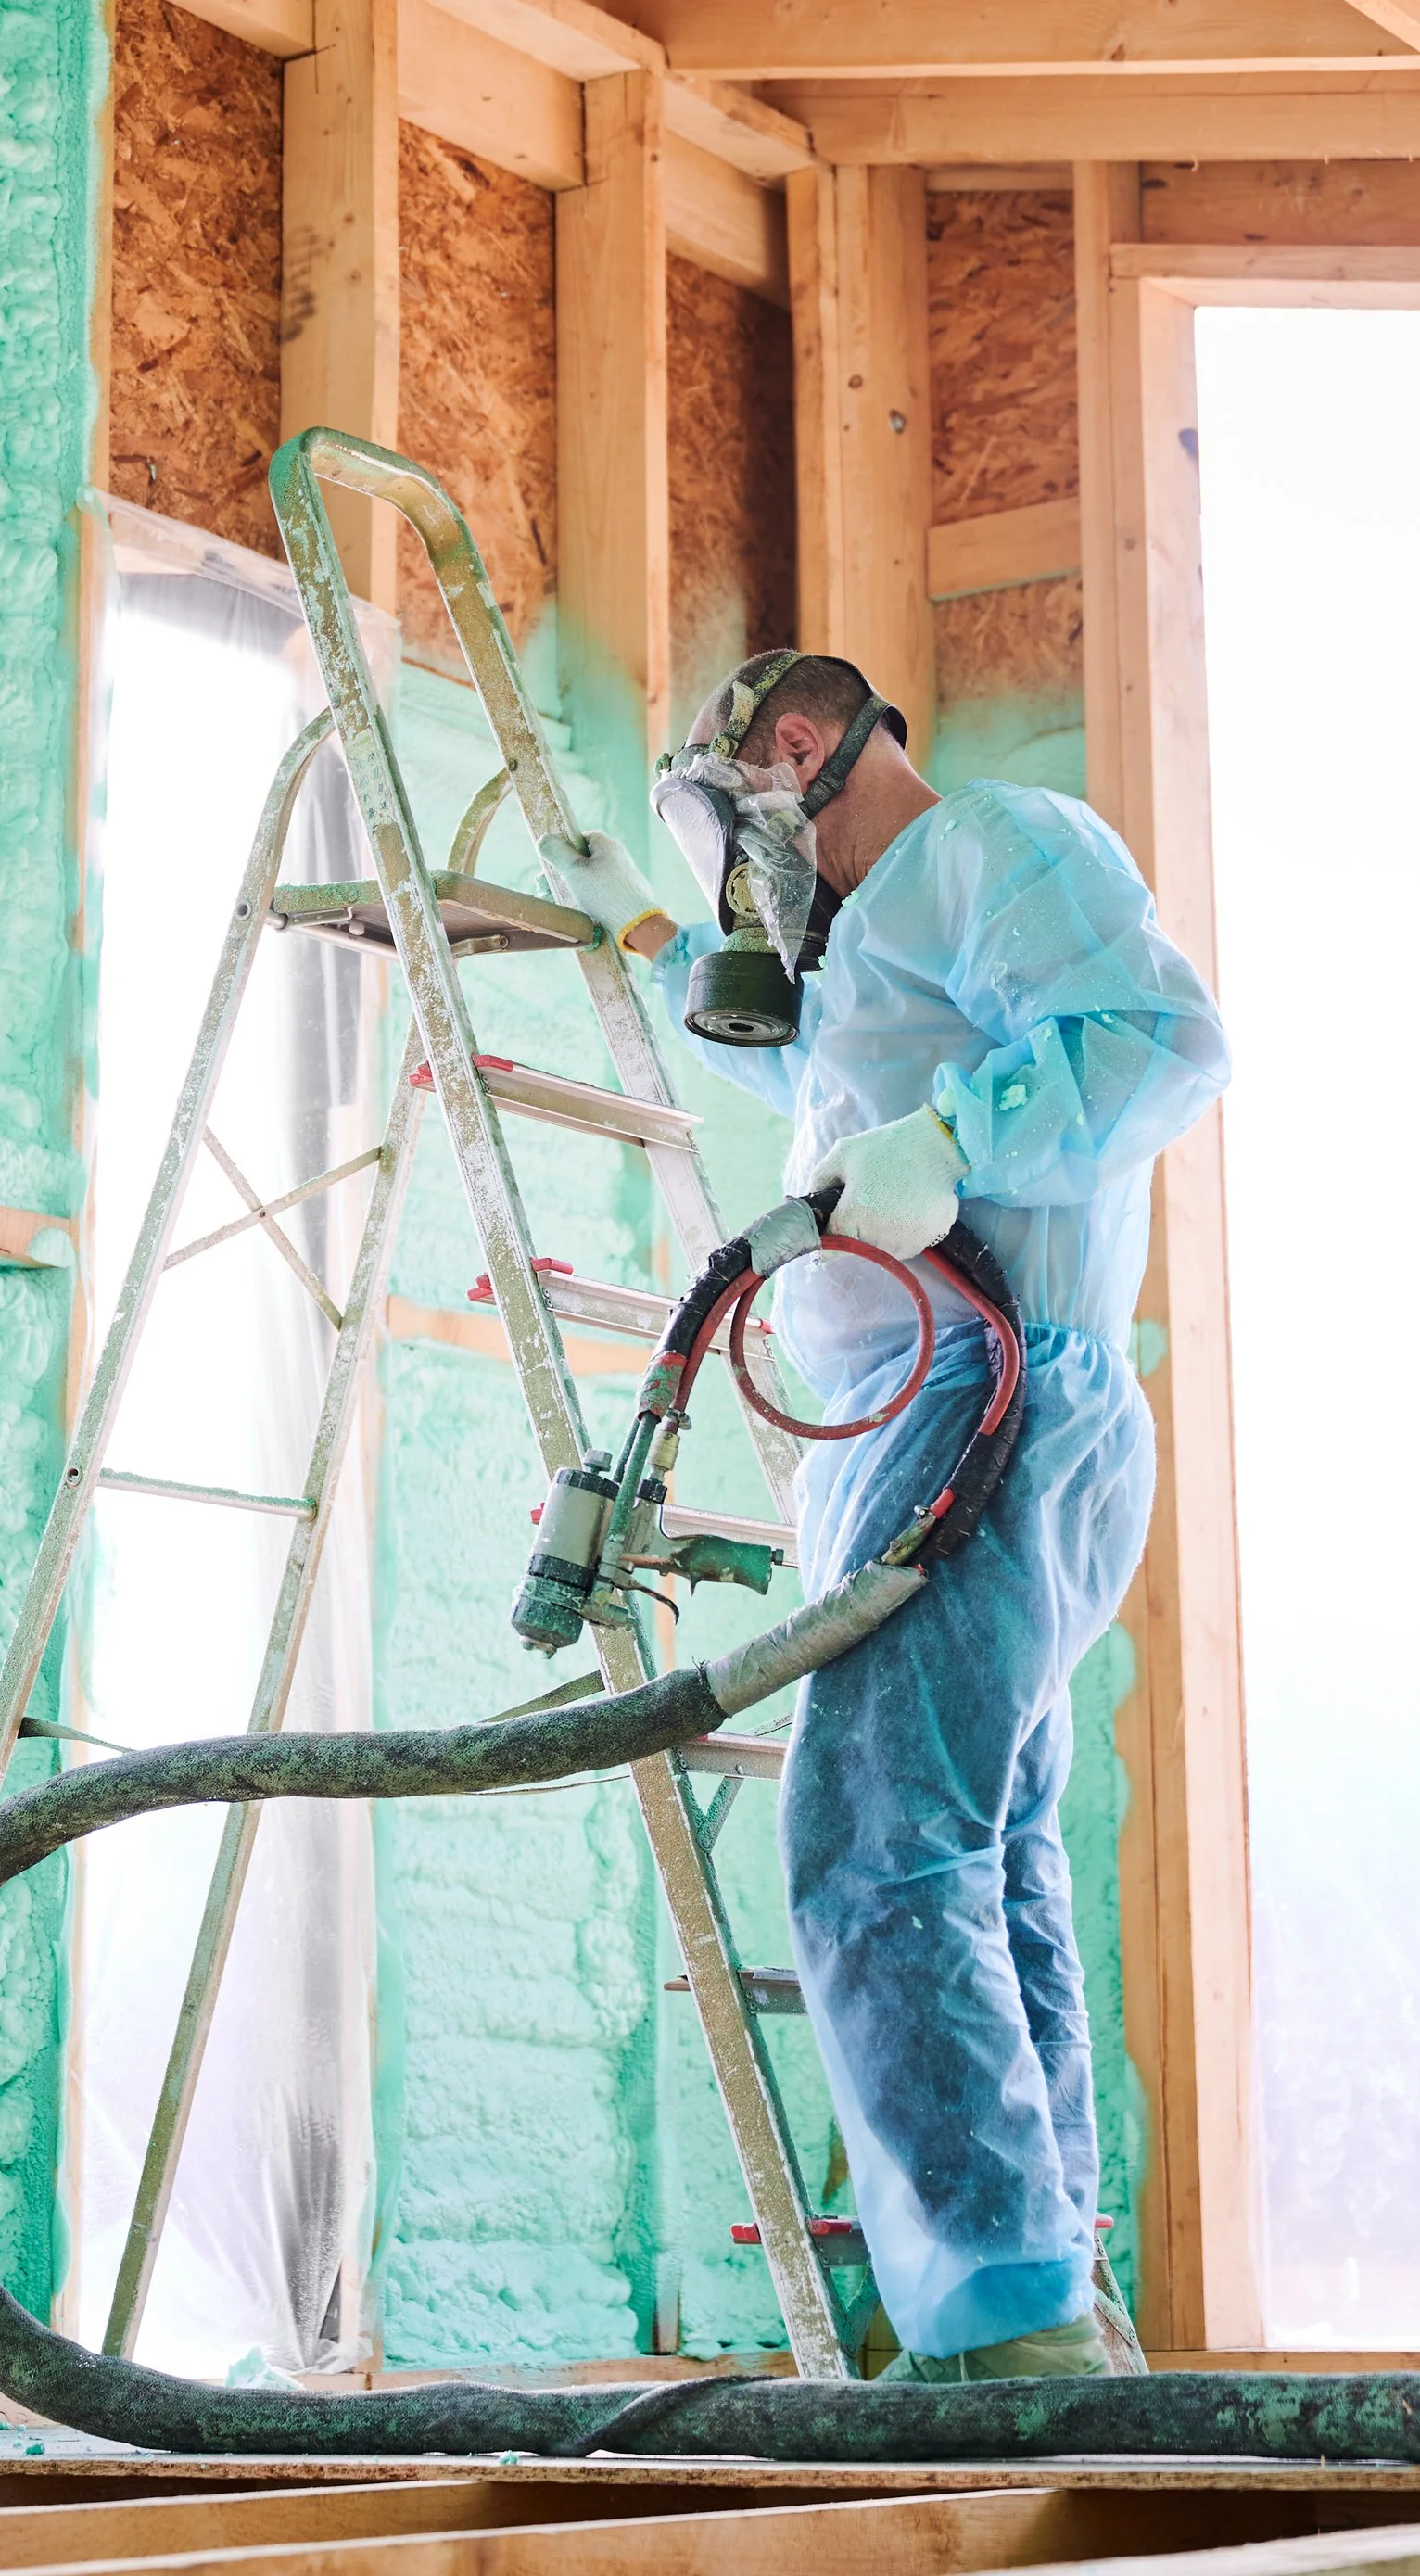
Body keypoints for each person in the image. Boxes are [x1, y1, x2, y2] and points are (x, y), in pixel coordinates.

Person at [543, 652, 1229, 2382]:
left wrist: (964, 1136)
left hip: (989, 1407)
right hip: (930, 1426)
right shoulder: (879, 947)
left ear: (794, 747)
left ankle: (1004, 2327)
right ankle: (1042, 2296)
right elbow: (844, 1100)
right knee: (974, 1854)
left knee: (872, 1838)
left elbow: (1159, 1037)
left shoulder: (999, 844)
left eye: (727, 831)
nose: (741, 879)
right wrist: (650, 943)